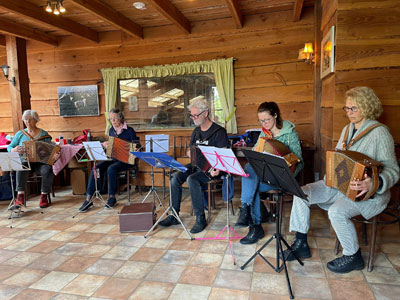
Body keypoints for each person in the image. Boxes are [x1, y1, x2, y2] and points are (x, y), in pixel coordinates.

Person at [284, 87, 399, 273]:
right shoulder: (347, 130)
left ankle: (353, 256)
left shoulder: (380, 133)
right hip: (340, 185)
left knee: (337, 211)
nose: (349, 113)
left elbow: (393, 170)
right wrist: (330, 174)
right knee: (301, 192)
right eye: (346, 109)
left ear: (367, 107)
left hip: (369, 193)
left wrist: (373, 183)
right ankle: (301, 242)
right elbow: (339, 159)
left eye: (354, 108)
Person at [158, 98, 230, 234]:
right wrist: (189, 152)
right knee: (175, 177)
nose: (193, 118)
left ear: (206, 113)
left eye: (196, 115)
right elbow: (190, 149)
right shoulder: (196, 131)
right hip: (195, 165)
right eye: (192, 115)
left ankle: (200, 218)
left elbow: (224, 156)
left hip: (211, 169)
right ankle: (174, 215)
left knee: (192, 179)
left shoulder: (219, 132)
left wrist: (218, 169)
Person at [235, 102, 304, 244]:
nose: (264, 123)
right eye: (261, 121)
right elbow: (255, 152)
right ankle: (252, 217)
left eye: (267, 120)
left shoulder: (290, 134)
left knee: (250, 185)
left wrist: (288, 177)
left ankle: (252, 221)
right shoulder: (264, 132)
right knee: (249, 167)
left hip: (281, 177)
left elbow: (299, 161)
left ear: (275, 115)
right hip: (263, 175)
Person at [78, 108, 140, 212]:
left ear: (120, 118)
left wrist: (136, 151)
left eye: (115, 118)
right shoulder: (111, 130)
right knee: (96, 168)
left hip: (127, 160)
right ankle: (88, 199)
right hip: (115, 158)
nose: (113, 121)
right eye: (111, 119)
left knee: (111, 169)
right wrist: (105, 145)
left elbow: (137, 146)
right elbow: (112, 146)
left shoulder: (129, 130)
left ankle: (112, 197)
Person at [7, 110, 59, 208]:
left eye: (30, 120)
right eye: (25, 120)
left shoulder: (44, 134)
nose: (27, 122)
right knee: (20, 167)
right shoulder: (20, 134)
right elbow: (10, 147)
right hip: (26, 161)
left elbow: (51, 150)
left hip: (40, 162)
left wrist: (55, 155)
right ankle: (20, 195)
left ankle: (44, 195)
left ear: (35, 120)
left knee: (47, 170)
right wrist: (14, 150)